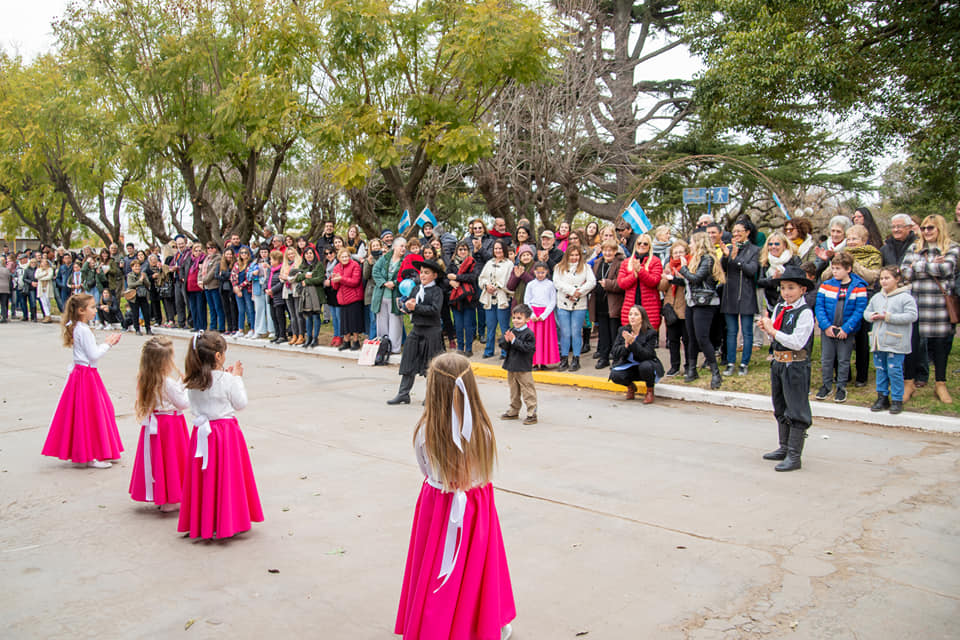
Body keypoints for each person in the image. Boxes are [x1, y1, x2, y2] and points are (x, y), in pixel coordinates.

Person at [394, 352, 515, 640]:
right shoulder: (483, 430)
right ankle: (484, 623)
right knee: (477, 567)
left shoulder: (425, 432)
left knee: (435, 564)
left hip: (438, 505)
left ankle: (432, 624)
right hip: (476, 505)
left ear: (433, 388)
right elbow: (484, 471)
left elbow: (425, 468)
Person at [179, 332, 263, 539]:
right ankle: (229, 519)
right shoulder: (227, 380)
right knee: (227, 476)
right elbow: (240, 403)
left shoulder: (193, 380)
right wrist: (237, 379)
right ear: (218, 356)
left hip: (202, 433)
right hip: (225, 434)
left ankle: (205, 519)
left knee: (205, 477)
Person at [41, 294, 123, 469]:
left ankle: (97, 450)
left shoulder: (79, 327)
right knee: (90, 414)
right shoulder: (83, 329)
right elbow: (93, 354)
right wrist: (108, 343)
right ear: (81, 310)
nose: (95, 310)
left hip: (83, 373)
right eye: (92, 307)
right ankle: (92, 454)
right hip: (86, 374)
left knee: (93, 411)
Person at [756, 265, 816, 472]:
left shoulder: (805, 312)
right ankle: (784, 446)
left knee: (796, 408)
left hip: (796, 364)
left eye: (791, 288)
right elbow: (776, 330)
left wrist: (773, 331)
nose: (786, 293)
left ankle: (794, 455)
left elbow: (797, 342)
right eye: (783, 288)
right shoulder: (781, 307)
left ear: (802, 290)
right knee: (780, 405)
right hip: (779, 362)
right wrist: (767, 327)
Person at [901, 214, 959, 403]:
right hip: (917, 302)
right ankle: (908, 383)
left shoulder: (953, 247)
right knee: (912, 345)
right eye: (924, 228)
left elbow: (946, 269)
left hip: (940, 304)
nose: (926, 232)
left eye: (930, 228)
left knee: (941, 346)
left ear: (940, 229)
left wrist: (918, 266)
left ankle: (940, 384)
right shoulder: (915, 247)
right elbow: (905, 272)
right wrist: (931, 265)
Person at [128, 336, 191, 511]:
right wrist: (186, 386)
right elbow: (182, 403)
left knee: (158, 460)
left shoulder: (145, 378)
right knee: (171, 459)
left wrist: (180, 384)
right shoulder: (167, 382)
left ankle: (162, 495)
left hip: (155, 424)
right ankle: (170, 499)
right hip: (170, 425)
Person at [387, 260, 447, 405]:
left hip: (432, 331)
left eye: (427, 273)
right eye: (421, 272)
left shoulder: (437, 291)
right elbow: (411, 305)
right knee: (408, 361)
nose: (423, 275)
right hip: (417, 329)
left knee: (431, 365)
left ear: (434, 275)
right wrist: (406, 307)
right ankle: (403, 394)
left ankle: (432, 396)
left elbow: (434, 310)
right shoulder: (416, 289)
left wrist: (416, 307)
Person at [814, 251, 868, 403]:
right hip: (828, 329)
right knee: (827, 359)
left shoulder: (859, 287)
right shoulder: (826, 285)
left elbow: (859, 310)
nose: (835, 271)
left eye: (838, 268)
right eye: (833, 268)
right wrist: (825, 326)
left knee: (844, 359)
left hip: (846, 330)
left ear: (848, 269)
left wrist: (846, 328)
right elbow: (819, 307)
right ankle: (826, 385)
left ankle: (841, 387)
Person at [863, 266, 918, 414]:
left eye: (887, 278)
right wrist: (871, 315)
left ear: (897, 279)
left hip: (895, 342)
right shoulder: (877, 297)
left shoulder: (905, 297)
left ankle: (897, 399)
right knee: (881, 369)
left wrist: (888, 317)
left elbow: (912, 316)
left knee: (894, 370)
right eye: (881, 278)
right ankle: (882, 397)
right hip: (878, 341)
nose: (884, 281)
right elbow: (866, 312)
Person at [679, 233, 725, 389]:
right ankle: (692, 370)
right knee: (691, 337)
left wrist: (683, 268)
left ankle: (716, 373)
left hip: (705, 304)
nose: (689, 246)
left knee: (702, 338)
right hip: (692, 302)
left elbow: (696, 278)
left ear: (699, 243)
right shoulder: (697, 260)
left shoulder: (708, 259)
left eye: (691, 243)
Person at [720, 220, 760, 376]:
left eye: (739, 231)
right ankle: (730, 362)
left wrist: (736, 258)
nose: (735, 234)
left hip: (746, 294)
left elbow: (751, 270)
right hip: (730, 293)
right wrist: (726, 256)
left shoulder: (755, 250)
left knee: (747, 331)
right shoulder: (730, 248)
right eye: (734, 231)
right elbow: (723, 269)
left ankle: (744, 363)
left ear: (747, 232)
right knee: (731, 331)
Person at [553, 245, 596, 371]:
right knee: (565, 332)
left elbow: (591, 282)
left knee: (576, 332)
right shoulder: (559, 267)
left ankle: (576, 359)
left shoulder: (586, 267)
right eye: (571, 255)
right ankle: (564, 359)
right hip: (563, 302)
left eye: (576, 255)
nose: (574, 257)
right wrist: (571, 291)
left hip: (579, 304)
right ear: (567, 255)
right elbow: (557, 282)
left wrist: (579, 292)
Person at [609, 305, 665, 403]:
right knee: (615, 375)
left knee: (645, 366)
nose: (632, 317)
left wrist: (633, 344)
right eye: (630, 314)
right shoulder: (623, 330)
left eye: (636, 315)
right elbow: (615, 352)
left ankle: (650, 391)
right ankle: (630, 387)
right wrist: (626, 346)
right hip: (629, 365)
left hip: (645, 365)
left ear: (642, 318)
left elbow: (647, 355)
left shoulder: (650, 333)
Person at [499, 303, 538, 424]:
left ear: (527, 319)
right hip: (511, 366)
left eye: (519, 318)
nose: (516, 320)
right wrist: (506, 341)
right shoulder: (511, 330)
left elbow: (527, 349)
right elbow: (504, 345)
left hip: (523, 366)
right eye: (514, 317)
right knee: (514, 390)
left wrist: (514, 340)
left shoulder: (528, 334)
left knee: (527, 390)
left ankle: (532, 412)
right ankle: (514, 410)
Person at [588, 240, 625, 369]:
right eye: (605, 250)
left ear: (615, 252)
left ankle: (616, 358)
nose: (608, 253)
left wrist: (608, 284)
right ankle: (603, 358)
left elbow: (622, 283)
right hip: (599, 303)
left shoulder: (620, 264)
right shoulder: (598, 263)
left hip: (613, 304)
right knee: (603, 334)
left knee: (614, 333)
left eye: (611, 250)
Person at [618, 234, 663, 333]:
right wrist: (634, 275)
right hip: (630, 304)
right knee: (630, 338)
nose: (642, 245)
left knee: (648, 338)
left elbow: (654, 281)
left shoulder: (655, 261)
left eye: (645, 244)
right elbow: (621, 283)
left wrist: (640, 271)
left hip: (649, 306)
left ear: (649, 246)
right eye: (639, 243)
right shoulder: (626, 262)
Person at [478, 240, 514, 359]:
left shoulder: (509, 264)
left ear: (504, 249)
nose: (498, 251)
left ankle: (505, 351)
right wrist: (486, 286)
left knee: (504, 327)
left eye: (500, 248)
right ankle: (489, 350)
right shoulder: (489, 263)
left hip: (502, 298)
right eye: (495, 249)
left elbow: (510, 281)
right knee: (491, 326)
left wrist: (498, 286)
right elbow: (481, 279)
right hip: (490, 298)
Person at [659, 240, 689, 377]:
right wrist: (666, 277)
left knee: (687, 339)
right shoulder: (668, 266)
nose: (677, 255)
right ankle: (674, 365)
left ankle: (689, 365)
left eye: (680, 252)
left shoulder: (689, 265)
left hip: (685, 306)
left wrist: (676, 276)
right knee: (673, 339)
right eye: (675, 252)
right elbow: (661, 287)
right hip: (671, 306)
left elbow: (688, 283)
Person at [373, 237, 407, 354]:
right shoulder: (385, 258)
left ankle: (394, 349)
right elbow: (375, 271)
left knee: (395, 323)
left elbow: (406, 276)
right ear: (394, 247)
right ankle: (383, 347)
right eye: (401, 246)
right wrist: (384, 283)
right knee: (381, 322)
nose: (403, 248)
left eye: (405, 246)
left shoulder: (405, 261)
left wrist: (395, 283)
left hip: (395, 296)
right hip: (382, 295)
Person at [524, 261, 560, 370]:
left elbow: (552, 301)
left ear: (547, 272)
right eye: (538, 272)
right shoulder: (531, 284)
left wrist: (544, 315)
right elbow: (527, 300)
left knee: (545, 339)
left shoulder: (550, 284)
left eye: (542, 272)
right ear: (534, 272)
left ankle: (544, 362)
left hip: (546, 315)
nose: (540, 275)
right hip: (533, 314)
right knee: (534, 339)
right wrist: (532, 314)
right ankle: (534, 362)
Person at [447, 241, 479, 356]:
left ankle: (469, 348)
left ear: (468, 251)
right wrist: (450, 282)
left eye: (465, 249)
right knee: (459, 325)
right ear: (456, 251)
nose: (462, 252)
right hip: (456, 299)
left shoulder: (472, 262)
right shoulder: (451, 264)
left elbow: (473, 277)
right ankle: (460, 347)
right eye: (460, 249)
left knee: (468, 325)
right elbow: (446, 278)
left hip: (469, 298)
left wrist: (457, 277)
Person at [332, 247, 364, 350]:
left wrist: (341, 279)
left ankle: (356, 341)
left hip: (354, 297)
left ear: (349, 257)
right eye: (342, 257)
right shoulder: (337, 267)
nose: (345, 258)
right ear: (339, 258)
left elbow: (355, 281)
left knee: (354, 321)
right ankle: (346, 341)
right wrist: (335, 280)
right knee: (344, 322)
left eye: (346, 256)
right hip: (342, 299)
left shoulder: (355, 265)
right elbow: (335, 286)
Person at [297, 247, 327, 348]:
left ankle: (315, 338)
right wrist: (305, 276)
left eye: (311, 253)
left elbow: (320, 278)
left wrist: (307, 281)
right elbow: (297, 277)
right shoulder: (302, 266)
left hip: (317, 294)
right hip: (306, 295)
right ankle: (309, 337)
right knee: (308, 316)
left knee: (316, 316)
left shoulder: (318, 265)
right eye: (307, 254)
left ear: (314, 254)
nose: (309, 255)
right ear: (304, 256)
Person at [814, 215, 852, 280]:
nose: (835, 234)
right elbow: (816, 269)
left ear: (845, 233)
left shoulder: (849, 246)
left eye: (838, 231)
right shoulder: (824, 246)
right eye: (833, 231)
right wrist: (823, 261)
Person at [201, 242, 224, 331]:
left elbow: (212, 272)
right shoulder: (206, 259)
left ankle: (221, 326)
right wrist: (200, 280)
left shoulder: (218, 258)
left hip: (214, 285)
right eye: (208, 248)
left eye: (212, 248)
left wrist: (203, 281)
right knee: (211, 308)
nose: (210, 250)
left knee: (218, 307)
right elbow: (201, 270)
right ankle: (213, 326)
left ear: (216, 248)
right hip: (206, 287)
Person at [126, 260, 153, 335]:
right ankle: (137, 329)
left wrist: (144, 279)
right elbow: (131, 285)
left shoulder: (143, 274)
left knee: (146, 313)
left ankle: (148, 328)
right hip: (134, 297)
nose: (137, 268)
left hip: (143, 295)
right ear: (132, 267)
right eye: (135, 266)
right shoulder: (130, 275)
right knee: (135, 313)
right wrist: (140, 280)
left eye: (138, 266)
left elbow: (148, 284)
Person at [266, 250, 288, 343]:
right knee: (273, 316)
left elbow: (281, 283)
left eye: (271, 259)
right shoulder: (271, 270)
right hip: (270, 297)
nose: (270, 261)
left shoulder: (281, 269)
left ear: (277, 260)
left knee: (280, 316)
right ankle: (277, 333)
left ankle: (282, 335)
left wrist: (273, 290)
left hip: (278, 296)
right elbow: (267, 280)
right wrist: (266, 289)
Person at [35, 257, 55, 322]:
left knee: (47, 301)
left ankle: (48, 315)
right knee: (43, 302)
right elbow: (36, 276)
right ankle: (47, 315)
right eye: (42, 262)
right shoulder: (38, 270)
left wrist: (41, 278)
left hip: (47, 287)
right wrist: (44, 274)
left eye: (45, 263)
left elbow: (49, 277)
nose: (43, 264)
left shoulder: (50, 269)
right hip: (41, 288)